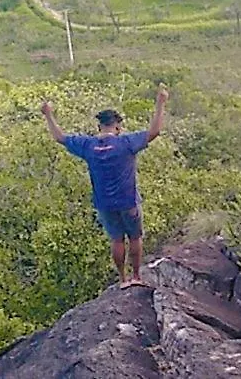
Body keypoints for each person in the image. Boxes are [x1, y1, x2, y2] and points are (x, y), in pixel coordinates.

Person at [41, 84, 169, 289]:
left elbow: (60, 138)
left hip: (104, 204)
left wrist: (48, 115)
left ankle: (123, 279)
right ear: (117, 127)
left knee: (116, 240)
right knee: (135, 237)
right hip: (128, 201)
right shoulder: (126, 143)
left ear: (99, 127)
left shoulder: (87, 145)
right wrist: (160, 102)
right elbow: (155, 131)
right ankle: (136, 276)